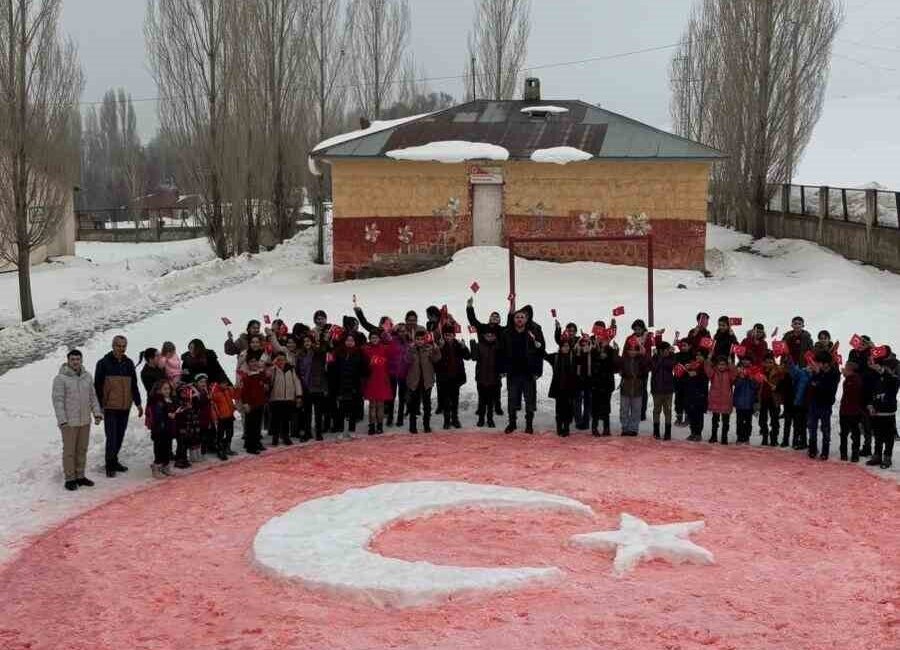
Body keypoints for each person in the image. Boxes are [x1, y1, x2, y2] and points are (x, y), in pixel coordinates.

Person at [52, 350, 103, 491]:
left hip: (84, 421)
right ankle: (70, 479)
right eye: (73, 359)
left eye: (78, 359)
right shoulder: (60, 379)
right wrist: (62, 420)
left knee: (82, 449)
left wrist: (97, 413)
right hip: (69, 422)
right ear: (68, 360)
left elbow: (93, 397)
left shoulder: (87, 377)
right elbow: (58, 401)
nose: (75, 362)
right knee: (69, 451)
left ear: (81, 360)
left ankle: (80, 476)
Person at [94, 335, 143, 478]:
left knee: (120, 435)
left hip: (124, 406)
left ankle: (114, 461)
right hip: (110, 407)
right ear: (113, 346)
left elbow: (133, 385)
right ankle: (110, 465)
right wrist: (100, 405)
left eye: (123, 346)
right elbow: (97, 386)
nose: (121, 349)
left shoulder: (128, 363)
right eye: (118, 346)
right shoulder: (103, 363)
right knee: (112, 436)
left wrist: (138, 403)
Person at [500, 306, 545, 434]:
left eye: (522, 317)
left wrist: (538, 371)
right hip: (513, 372)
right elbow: (501, 352)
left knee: (529, 399)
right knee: (512, 399)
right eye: (517, 317)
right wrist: (502, 369)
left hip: (528, 373)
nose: (519, 319)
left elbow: (539, 353)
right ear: (513, 319)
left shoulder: (533, 333)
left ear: (526, 319)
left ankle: (529, 424)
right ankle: (512, 423)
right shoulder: (507, 333)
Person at [804, 351, 841, 459]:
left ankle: (825, 451)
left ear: (826, 363)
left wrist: (818, 376)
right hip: (813, 403)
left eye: (818, 362)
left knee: (825, 429)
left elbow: (828, 388)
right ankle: (812, 449)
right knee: (812, 427)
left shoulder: (834, 373)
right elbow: (812, 385)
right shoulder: (816, 372)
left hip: (825, 404)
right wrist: (814, 375)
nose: (816, 364)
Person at [865, 350, 898, 469]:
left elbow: (893, 383)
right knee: (878, 436)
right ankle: (877, 455)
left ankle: (887, 457)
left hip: (888, 412)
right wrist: (870, 405)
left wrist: (882, 371)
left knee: (888, 437)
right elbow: (870, 393)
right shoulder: (874, 377)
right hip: (876, 412)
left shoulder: (892, 378)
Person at [435, 324, 470, 429]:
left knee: (455, 400)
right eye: (446, 334)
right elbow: (435, 361)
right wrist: (439, 348)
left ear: (454, 335)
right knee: (445, 400)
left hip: (456, 377)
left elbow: (468, 356)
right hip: (444, 378)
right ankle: (446, 420)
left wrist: (464, 347)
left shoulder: (458, 344)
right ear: (443, 335)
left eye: (450, 334)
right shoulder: (439, 345)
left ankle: (455, 419)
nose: (448, 337)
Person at [406, 328, 441, 434]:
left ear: (425, 339)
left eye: (422, 339)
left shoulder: (429, 348)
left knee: (427, 404)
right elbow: (406, 360)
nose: (420, 341)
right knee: (413, 405)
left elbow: (437, 359)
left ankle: (427, 425)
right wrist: (409, 350)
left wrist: (436, 350)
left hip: (426, 381)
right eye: (418, 339)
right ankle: (412, 426)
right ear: (415, 340)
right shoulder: (411, 349)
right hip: (414, 381)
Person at [333, 334, 367, 438]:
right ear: (344, 341)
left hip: (354, 385)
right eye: (348, 340)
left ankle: (352, 429)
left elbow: (364, 370)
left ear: (355, 342)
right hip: (342, 385)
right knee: (341, 409)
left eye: (352, 340)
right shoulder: (339, 353)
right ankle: (341, 430)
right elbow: (334, 370)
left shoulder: (359, 353)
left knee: (353, 409)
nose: (349, 342)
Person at [296, 334, 328, 441]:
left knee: (318, 412)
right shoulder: (300, 355)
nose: (307, 343)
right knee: (307, 412)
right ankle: (308, 432)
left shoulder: (318, 353)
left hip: (317, 386)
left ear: (313, 342)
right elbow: (298, 371)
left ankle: (318, 432)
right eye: (305, 341)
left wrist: (323, 339)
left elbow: (325, 350)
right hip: (305, 386)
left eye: (309, 341)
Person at [268, 351, 303, 446]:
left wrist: (299, 395)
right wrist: (273, 364)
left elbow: (297, 382)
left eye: (282, 359)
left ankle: (285, 436)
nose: (281, 361)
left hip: (288, 398)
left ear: (286, 359)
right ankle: (275, 437)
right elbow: (266, 375)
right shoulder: (273, 369)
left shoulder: (291, 370)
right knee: (275, 420)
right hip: (275, 399)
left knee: (286, 420)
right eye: (278, 360)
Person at [236, 354, 269, 454]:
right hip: (250, 404)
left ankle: (256, 442)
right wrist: (245, 403)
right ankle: (250, 446)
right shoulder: (246, 376)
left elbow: (266, 381)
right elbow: (244, 392)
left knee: (258, 425)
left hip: (260, 403)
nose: (254, 364)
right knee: (251, 425)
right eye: (251, 362)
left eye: (255, 361)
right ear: (248, 364)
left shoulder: (260, 374)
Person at [470, 324, 501, 428]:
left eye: (492, 335)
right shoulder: (479, 345)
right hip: (481, 378)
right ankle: (481, 419)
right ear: (483, 336)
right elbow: (474, 358)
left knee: (491, 401)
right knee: (482, 401)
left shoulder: (498, 346)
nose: (489, 336)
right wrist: (472, 345)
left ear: (495, 336)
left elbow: (502, 361)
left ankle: (490, 419)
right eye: (487, 335)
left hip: (494, 379)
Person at [146, 380, 178, 478]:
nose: (167, 391)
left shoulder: (170, 399)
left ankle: (166, 466)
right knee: (159, 449)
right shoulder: (156, 400)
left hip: (168, 429)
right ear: (158, 390)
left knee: (167, 448)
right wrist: (168, 415)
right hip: (159, 430)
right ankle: (156, 467)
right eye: (164, 389)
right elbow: (157, 414)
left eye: (168, 389)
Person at [546, 339, 578, 437]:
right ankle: (559, 427)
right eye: (564, 346)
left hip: (570, 388)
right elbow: (544, 355)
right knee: (559, 409)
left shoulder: (574, 357)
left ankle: (566, 427)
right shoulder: (555, 357)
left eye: (567, 346)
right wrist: (538, 345)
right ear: (560, 347)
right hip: (558, 388)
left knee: (568, 409)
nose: (566, 348)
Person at [617, 336, 648, 436]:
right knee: (624, 410)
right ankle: (625, 428)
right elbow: (615, 364)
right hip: (625, 387)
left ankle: (634, 429)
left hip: (638, 387)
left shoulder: (641, 359)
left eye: (635, 350)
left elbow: (649, 364)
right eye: (630, 349)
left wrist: (643, 353)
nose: (632, 352)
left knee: (636, 410)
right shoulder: (623, 359)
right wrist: (615, 350)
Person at [362, 332, 392, 435]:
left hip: (382, 379)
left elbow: (392, 352)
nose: (374, 339)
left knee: (380, 405)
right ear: (369, 339)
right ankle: (371, 427)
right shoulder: (366, 349)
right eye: (372, 337)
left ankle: (379, 426)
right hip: (371, 379)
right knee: (372, 405)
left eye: (376, 337)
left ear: (379, 338)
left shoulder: (385, 348)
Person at [589, 335, 618, 436]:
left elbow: (615, 367)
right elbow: (591, 365)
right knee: (595, 407)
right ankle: (594, 427)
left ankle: (606, 428)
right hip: (596, 383)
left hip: (607, 383)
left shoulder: (611, 350)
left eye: (605, 339)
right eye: (600, 338)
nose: (602, 341)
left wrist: (614, 353)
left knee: (606, 407)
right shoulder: (593, 350)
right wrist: (598, 357)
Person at [705, 355, 737, 445]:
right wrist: (708, 359)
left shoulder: (729, 373)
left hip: (726, 400)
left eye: (723, 364)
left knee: (726, 421)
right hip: (715, 399)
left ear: (726, 365)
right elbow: (707, 369)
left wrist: (731, 363)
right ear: (716, 365)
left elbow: (734, 373)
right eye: (719, 364)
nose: (721, 366)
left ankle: (724, 437)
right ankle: (713, 436)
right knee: (715, 420)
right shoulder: (713, 372)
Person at [838, 361, 864, 462]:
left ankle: (855, 454)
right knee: (844, 434)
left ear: (851, 370)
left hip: (853, 412)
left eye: (846, 368)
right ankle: (844, 453)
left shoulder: (855, 380)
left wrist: (847, 377)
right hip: (845, 410)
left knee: (855, 434)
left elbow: (853, 393)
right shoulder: (848, 380)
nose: (844, 369)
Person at [650, 341, 676, 440]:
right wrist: (659, 357)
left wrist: (665, 357)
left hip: (668, 390)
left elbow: (670, 365)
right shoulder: (655, 358)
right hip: (656, 389)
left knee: (668, 411)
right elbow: (654, 367)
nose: (668, 351)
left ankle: (667, 432)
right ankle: (656, 431)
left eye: (669, 349)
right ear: (661, 350)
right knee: (656, 410)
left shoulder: (671, 357)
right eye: (666, 350)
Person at [758, 353, 784, 447]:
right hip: (763, 399)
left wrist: (776, 387)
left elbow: (783, 383)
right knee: (762, 420)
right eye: (766, 362)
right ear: (763, 363)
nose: (768, 364)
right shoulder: (759, 372)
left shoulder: (779, 370)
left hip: (774, 399)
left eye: (770, 362)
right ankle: (765, 437)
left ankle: (774, 439)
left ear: (774, 362)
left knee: (774, 420)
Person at [732, 358, 759, 444]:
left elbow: (756, 386)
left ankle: (747, 437)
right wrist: (741, 377)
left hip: (749, 401)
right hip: (739, 401)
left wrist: (751, 378)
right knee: (739, 421)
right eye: (744, 360)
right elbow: (735, 384)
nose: (746, 361)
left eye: (748, 360)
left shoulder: (754, 370)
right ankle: (739, 437)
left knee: (748, 422)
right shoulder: (738, 369)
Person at [683, 356, 709, 442]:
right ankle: (692, 432)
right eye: (696, 356)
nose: (698, 357)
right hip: (690, 394)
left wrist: (697, 374)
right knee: (691, 414)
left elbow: (706, 379)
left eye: (700, 355)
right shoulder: (690, 366)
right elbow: (685, 380)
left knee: (699, 415)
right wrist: (687, 371)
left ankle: (698, 433)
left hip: (700, 395)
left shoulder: (704, 367)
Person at [210, 380, 237, 459]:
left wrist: (233, 408)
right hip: (221, 417)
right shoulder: (215, 392)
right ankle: (220, 451)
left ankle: (227, 448)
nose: (225, 385)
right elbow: (213, 406)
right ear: (220, 383)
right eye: (224, 383)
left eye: (226, 383)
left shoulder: (228, 390)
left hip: (229, 415)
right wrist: (217, 416)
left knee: (230, 433)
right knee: (220, 435)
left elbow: (235, 396)